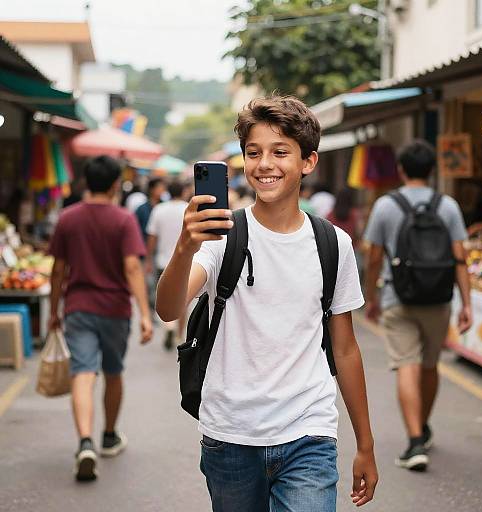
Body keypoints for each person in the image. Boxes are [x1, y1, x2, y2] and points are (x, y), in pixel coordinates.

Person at [156, 95, 378, 511]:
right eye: (253, 153)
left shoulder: (334, 244)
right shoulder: (222, 236)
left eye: (280, 152)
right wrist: (186, 245)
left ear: (308, 162)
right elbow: (169, 308)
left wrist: (365, 444)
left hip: (308, 432)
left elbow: (345, 349)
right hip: (230, 435)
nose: (265, 164)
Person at [364, 140, 472, 471]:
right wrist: (466, 303)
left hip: (398, 296)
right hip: (439, 298)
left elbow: (374, 256)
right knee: (429, 365)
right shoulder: (448, 205)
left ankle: (413, 443)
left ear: (401, 170)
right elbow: (460, 257)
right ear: (432, 170)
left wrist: (371, 297)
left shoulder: (385, 205)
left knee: (406, 365)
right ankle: (422, 429)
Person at [48, 155, 153, 482]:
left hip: (78, 306)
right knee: (113, 372)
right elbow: (133, 267)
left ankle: (84, 442)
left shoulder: (67, 218)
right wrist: (146, 315)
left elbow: (58, 270)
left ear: (85, 183)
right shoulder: (123, 220)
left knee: (83, 372)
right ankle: (109, 435)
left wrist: (53, 311)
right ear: (113, 185)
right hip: (115, 309)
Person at [145, 180, 188, 348]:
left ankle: (168, 326)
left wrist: (148, 259)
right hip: (184, 261)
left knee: (163, 294)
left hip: (163, 261)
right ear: (183, 191)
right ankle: (178, 334)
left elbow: (152, 237)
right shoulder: (188, 208)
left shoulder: (159, 210)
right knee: (183, 297)